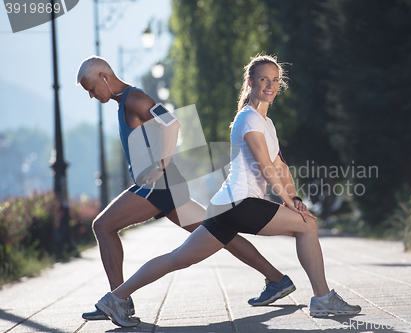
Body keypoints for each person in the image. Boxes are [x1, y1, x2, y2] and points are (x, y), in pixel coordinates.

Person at [93, 54, 361, 328]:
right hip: (239, 203)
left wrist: (293, 197)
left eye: (275, 81)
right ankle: (322, 298)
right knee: (307, 226)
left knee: (179, 258)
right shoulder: (248, 119)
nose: (270, 85)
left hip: (226, 206)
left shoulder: (265, 123)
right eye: (264, 80)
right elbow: (266, 167)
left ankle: (116, 297)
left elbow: (280, 166)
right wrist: (289, 205)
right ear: (250, 82)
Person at [75, 56, 297, 322]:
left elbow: (172, 122)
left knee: (103, 225)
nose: (91, 95)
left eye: (91, 88)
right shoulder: (125, 101)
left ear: (103, 77)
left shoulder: (134, 99)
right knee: (218, 229)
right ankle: (277, 279)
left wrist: (161, 162)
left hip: (158, 185)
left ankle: (118, 300)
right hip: (168, 185)